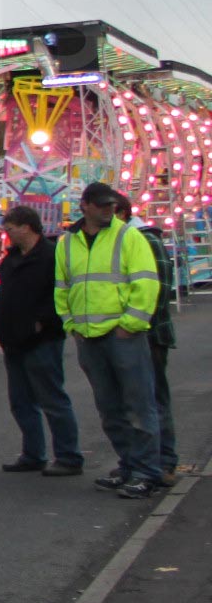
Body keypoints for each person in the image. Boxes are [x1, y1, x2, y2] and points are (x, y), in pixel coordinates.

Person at [54, 181, 163, 500]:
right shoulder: (67, 243)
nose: (108, 210)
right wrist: (71, 324)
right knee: (110, 408)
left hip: (122, 335)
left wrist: (131, 324)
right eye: (102, 205)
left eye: (111, 205)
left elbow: (146, 283)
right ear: (85, 206)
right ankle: (129, 466)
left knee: (138, 405)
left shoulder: (128, 236)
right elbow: (62, 286)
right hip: (90, 337)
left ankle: (146, 472)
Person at [0, 205, 81, 476]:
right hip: (13, 341)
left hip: (43, 340)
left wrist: (41, 323)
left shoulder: (51, 256)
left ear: (26, 227)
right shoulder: (11, 259)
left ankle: (68, 457)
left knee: (52, 399)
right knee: (21, 402)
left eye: (10, 229)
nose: (7, 234)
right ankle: (33, 454)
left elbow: (60, 295)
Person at [117, 196, 182, 486]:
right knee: (132, 402)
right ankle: (139, 462)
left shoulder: (145, 239)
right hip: (129, 333)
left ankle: (164, 462)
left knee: (153, 399)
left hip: (150, 335)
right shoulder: (122, 239)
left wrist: (137, 324)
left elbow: (161, 289)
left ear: (120, 212)